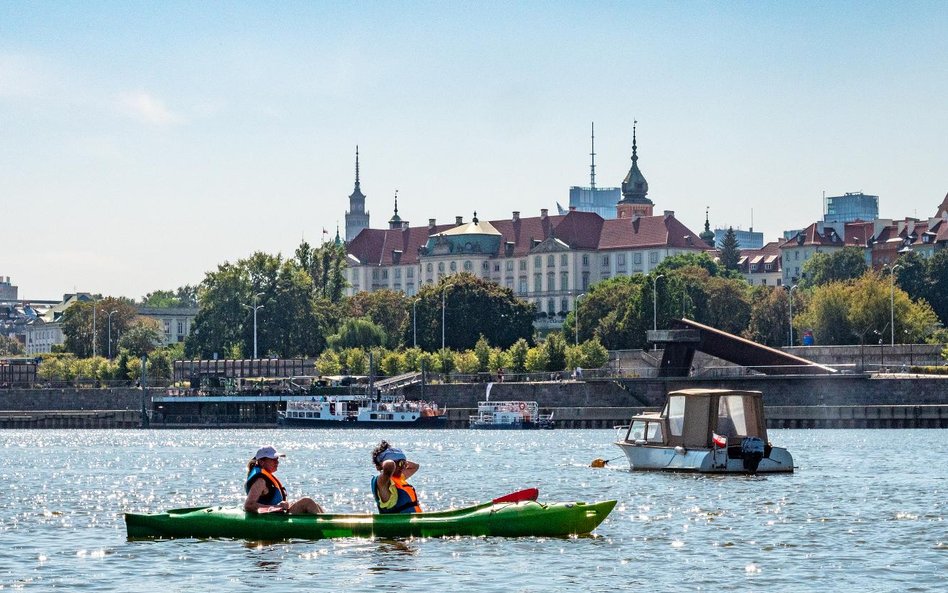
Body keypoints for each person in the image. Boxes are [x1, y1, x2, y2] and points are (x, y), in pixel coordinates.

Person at [244, 446, 324, 514]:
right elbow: (249, 505)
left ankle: (328, 523)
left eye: (277, 459)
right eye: (273, 459)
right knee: (307, 502)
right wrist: (276, 507)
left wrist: (284, 505)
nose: (277, 462)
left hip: (279, 515)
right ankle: (323, 527)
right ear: (262, 462)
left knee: (315, 504)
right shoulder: (260, 481)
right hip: (272, 518)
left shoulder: (265, 477)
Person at [371, 441, 421, 514]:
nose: (403, 468)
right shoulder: (383, 483)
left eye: (403, 464)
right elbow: (389, 465)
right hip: (399, 521)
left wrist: (402, 461)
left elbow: (415, 466)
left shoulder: (398, 478)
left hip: (414, 519)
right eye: (400, 464)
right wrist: (380, 464)